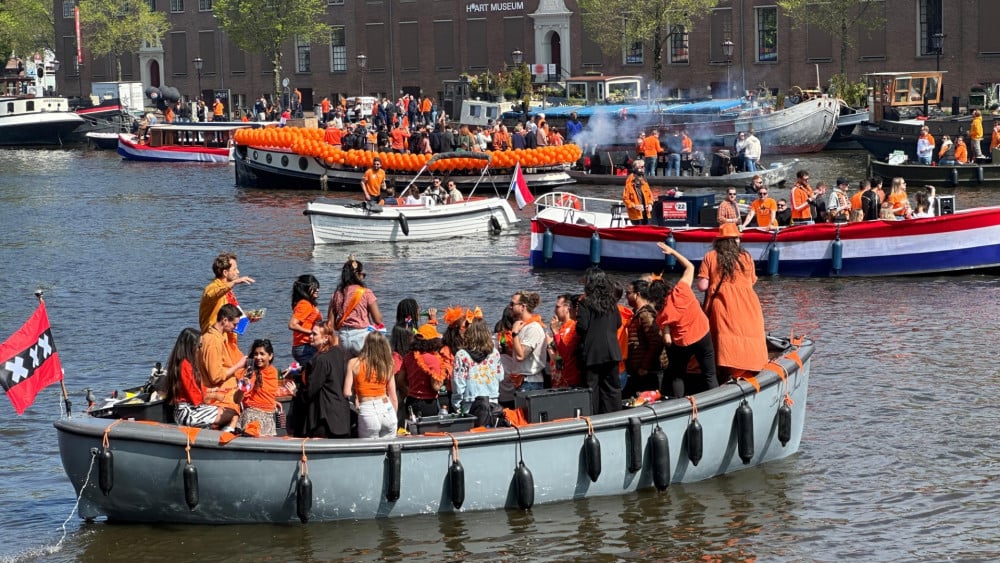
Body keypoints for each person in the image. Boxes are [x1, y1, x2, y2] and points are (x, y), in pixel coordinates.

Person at [696, 223, 768, 382]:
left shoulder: (711, 256)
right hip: (748, 302)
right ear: (736, 240)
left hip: (723, 303)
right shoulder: (747, 257)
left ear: (719, 241)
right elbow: (752, 281)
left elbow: (702, 286)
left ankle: (727, 375)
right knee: (748, 334)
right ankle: (749, 369)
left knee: (724, 339)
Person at [655, 243, 717, 397]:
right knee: (709, 374)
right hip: (702, 334)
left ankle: (679, 404)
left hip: (683, 343)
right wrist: (672, 252)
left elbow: (668, 341)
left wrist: (664, 333)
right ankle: (717, 399)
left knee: (678, 375)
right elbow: (689, 267)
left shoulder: (661, 313)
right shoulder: (681, 290)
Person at [575, 268, 623, 414]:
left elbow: (582, 327)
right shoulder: (611, 303)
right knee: (612, 389)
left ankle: (594, 419)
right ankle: (615, 416)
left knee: (591, 389)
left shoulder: (585, 302)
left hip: (592, 353)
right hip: (612, 352)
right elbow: (618, 323)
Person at [165, 327, 231, 429]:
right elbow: (196, 397)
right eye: (199, 346)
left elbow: (196, 389)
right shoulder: (185, 366)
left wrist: (214, 389)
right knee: (230, 413)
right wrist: (215, 396)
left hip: (188, 409)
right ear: (191, 346)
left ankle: (213, 427)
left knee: (224, 409)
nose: (200, 349)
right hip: (188, 412)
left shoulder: (182, 363)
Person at [198, 304, 247, 431]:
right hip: (220, 398)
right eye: (234, 324)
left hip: (226, 395)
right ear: (224, 320)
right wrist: (239, 366)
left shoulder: (216, 337)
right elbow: (216, 376)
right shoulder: (213, 341)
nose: (235, 328)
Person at [198, 252, 255, 354]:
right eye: (234, 269)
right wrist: (234, 282)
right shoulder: (212, 288)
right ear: (225, 272)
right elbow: (213, 294)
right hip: (214, 343)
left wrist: (248, 316)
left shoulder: (229, 292)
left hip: (230, 343)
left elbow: (232, 316)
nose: (238, 272)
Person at [344, 332, 398, 439]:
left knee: (370, 451)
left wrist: (356, 396)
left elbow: (346, 392)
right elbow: (393, 396)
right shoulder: (388, 363)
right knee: (390, 450)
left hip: (367, 409)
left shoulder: (354, 363)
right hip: (386, 407)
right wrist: (394, 416)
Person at [301, 323, 351, 438]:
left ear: (326, 338)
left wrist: (296, 392)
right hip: (341, 412)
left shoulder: (321, 360)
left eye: (314, 334)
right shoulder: (337, 352)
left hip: (326, 417)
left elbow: (311, 390)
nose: (310, 337)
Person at [451, 318, 503, 426]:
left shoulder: (462, 355)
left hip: (470, 404)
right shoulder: (494, 354)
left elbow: (458, 384)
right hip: (492, 402)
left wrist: (456, 405)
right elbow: (500, 376)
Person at [327, 255, 383, 356]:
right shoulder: (366, 292)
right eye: (363, 275)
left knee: (347, 368)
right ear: (357, 275)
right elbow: (378, 320)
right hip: (361, 337)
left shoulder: (336, 294)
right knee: (364, 368)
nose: (363, 277)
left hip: (343, 338)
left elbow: (330, 324)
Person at [623, 280, 664, 398]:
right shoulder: (638, 313)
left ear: (637, 295)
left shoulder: (645, 314)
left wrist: (644, 366)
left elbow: (656, 341)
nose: (626, 297)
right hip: (641, 368)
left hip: (648, 371)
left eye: (628, 293)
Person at [400, 323, 451, 418]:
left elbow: (400, 379)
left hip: (411, 401)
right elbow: (435, 387)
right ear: (433, 342)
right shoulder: (434, 359)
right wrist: (444, 380)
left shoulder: (408, 357)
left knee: (413, 431)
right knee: (429, 431)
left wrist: (410, 391)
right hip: (428, 404)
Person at [508, 291, 548, 394]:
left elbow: (521, 356)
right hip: (522, 381)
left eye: (512, 304)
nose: (509, 307)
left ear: (523, 307)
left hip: (530, 382)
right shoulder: (523, 326)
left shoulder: (533, 328)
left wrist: (515, 333)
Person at [239, 338, 279, 436]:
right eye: (256, 354)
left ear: (270, 356)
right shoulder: (250, 373)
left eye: (262, 354)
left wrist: (273, 402)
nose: (258, 357)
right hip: (253, 415)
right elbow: (244, 395)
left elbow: (268, 393)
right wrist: (245, 383)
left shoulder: (273, 371)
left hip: (269, 416)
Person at [288, 274, 322, 366]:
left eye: (317, 287)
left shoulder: (308, 304)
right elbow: (292, 324)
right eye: (314, 287)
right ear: (305, 289)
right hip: (305, 346)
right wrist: (311, 332)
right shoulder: (305, 304)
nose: (317, 290)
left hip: (304, 346)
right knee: (312, 374)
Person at [548, 293, 581, 388]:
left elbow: (564, 354)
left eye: (557, 307)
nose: (554, 310)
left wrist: (553, 335)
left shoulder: (572, 327)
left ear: (568, 308)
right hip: (558, 378)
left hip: (569, 379)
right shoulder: (561, 327)